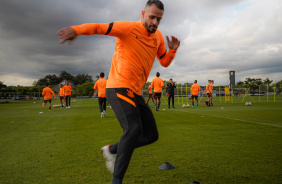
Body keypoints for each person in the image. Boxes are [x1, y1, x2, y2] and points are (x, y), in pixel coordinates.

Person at [57, 0, 180, 183]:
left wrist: (172, 51)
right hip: (118, 86)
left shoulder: (158, 37)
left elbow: (163, 61)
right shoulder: (128, 28)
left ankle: (112, 149)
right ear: (143, 14)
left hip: (135, 92)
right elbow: (99, 27)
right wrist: (76, 30)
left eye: (158, 19)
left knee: (151, 135)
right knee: (133, 129)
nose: (154, 22)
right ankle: (117, 181)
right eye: (152, 17)